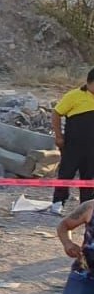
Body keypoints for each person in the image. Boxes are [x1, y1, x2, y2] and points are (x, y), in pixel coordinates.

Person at [49, 68, 94, 216]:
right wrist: (58, 136)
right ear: (89, 82)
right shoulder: (74, 96)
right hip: (73, 146)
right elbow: (56, 113)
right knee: (66, 174)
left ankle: (86, 208)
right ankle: (58, 203)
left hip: (92, 149)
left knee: (89, 179)